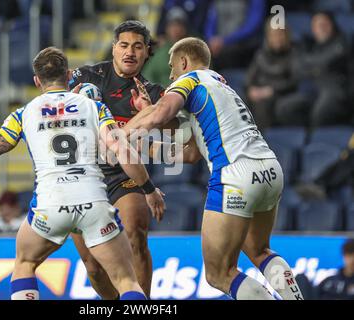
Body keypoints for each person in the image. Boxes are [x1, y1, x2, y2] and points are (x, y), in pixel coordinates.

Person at [0, 46, 165, 300]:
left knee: (25, 263)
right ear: (69, 75)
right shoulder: (95, 108)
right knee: (126, 281)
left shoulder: (24, 113)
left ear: (37, 80)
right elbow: (123, 152)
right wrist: (148, 189)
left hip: (50, 207)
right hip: (93, 202)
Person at [125, 37, 304, 300]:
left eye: (172, 67)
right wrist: (147, 144)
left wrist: (119, 134)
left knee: (219, 273)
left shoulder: (190, 79)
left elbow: (161, 113)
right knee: (260, 251)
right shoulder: (220, 85)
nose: (171, 75)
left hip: (235, 175)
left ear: (184, 61)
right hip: (269, 169)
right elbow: (192, 153)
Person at [68, 20, 165, 299]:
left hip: (123, 175)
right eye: (123, 45)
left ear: (147, 52)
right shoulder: (87, 76)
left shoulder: (153, 94)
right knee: (93, 266)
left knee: (135, 233)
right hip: (83, 176)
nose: (130, 52)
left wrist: (148, 116)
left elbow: (173, 145)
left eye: (137, 47)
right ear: (113, 49)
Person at [276, 11, 350, 127]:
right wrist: (317, 67)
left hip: (334, 90)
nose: (321, 28)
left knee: (321, 109)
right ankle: (302, 138)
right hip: (312, 90)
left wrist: (310, 65)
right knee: (284, 107)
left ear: (332, 25)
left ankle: (317, 139)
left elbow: (327, 61)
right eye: (317, 25)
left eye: (324, 24)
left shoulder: (342, 42)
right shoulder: (308, 44)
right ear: (312, 28)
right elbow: (297, 70)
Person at [245, 19, 299, 131]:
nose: (277, 38)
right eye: (273, 34)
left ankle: (264, 142)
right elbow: (249, 79)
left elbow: (294, 81)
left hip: (280, 94)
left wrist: (271, 90)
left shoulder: (294, 53)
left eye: (280, 34)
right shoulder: (260, 54)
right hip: (260, 93)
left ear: (287, 35)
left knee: (263, 104)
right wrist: (251, 90)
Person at [204, 0, 265, 70]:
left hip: (243, 45)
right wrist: (211, 39)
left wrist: (225, 41)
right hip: (217, 45)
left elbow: (253, 24)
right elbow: (211, 20)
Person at [143, 8, 190, 88]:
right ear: (167, 29)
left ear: (185, 29)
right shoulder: (159, 53)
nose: (176, 29)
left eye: (179, 25)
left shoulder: (195, 52)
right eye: (172, 25)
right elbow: (147, 77)